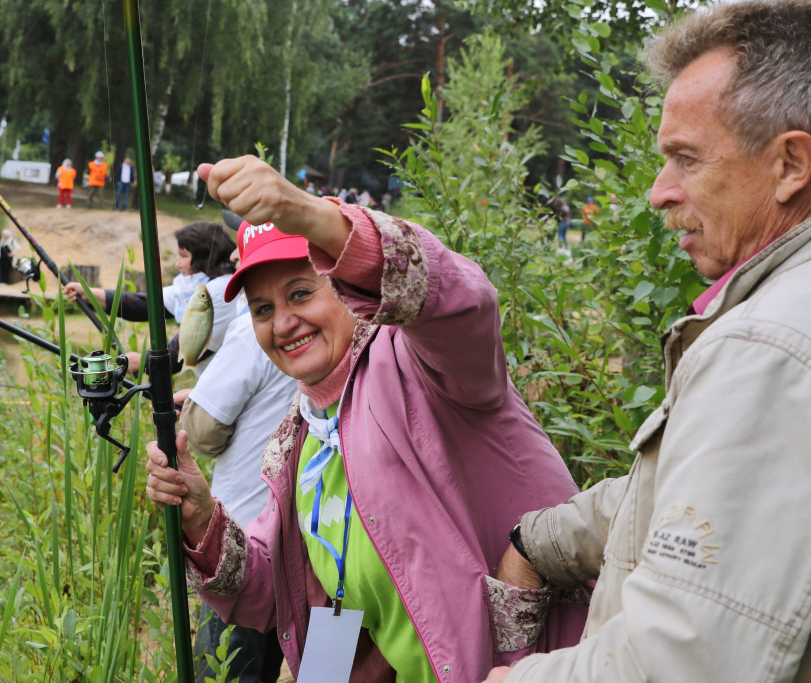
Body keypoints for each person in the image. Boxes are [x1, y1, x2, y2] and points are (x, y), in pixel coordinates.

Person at [145, 156, 588, 681]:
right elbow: (275, 591)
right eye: (262, 309)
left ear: (345, 284)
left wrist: (311, 216)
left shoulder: (424, 365)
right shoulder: (302, 435)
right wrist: (199, 514)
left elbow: (465, 302)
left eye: (301, 292)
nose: (283, 323)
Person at [486, 3, 811, 681]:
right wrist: (540, 537)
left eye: (685, 159)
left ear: (790, 163)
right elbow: (699, 497)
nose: (659, 193)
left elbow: (682, 659)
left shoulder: (767, 348)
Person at [182, 244, 297, 681]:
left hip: (242, 541)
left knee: (227, 669)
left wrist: (197, 409)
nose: (231, 252)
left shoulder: (257, 326)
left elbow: (204, 430)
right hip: (310, 551)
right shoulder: (343, 327)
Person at [63, 221, 238, 375]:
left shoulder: (221, 291)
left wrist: (142, 361)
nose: (178, 264)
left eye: (183, 256)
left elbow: (185, 347)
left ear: (204, 257)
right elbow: (148, 305)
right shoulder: (199, 285)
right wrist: (91, 295)